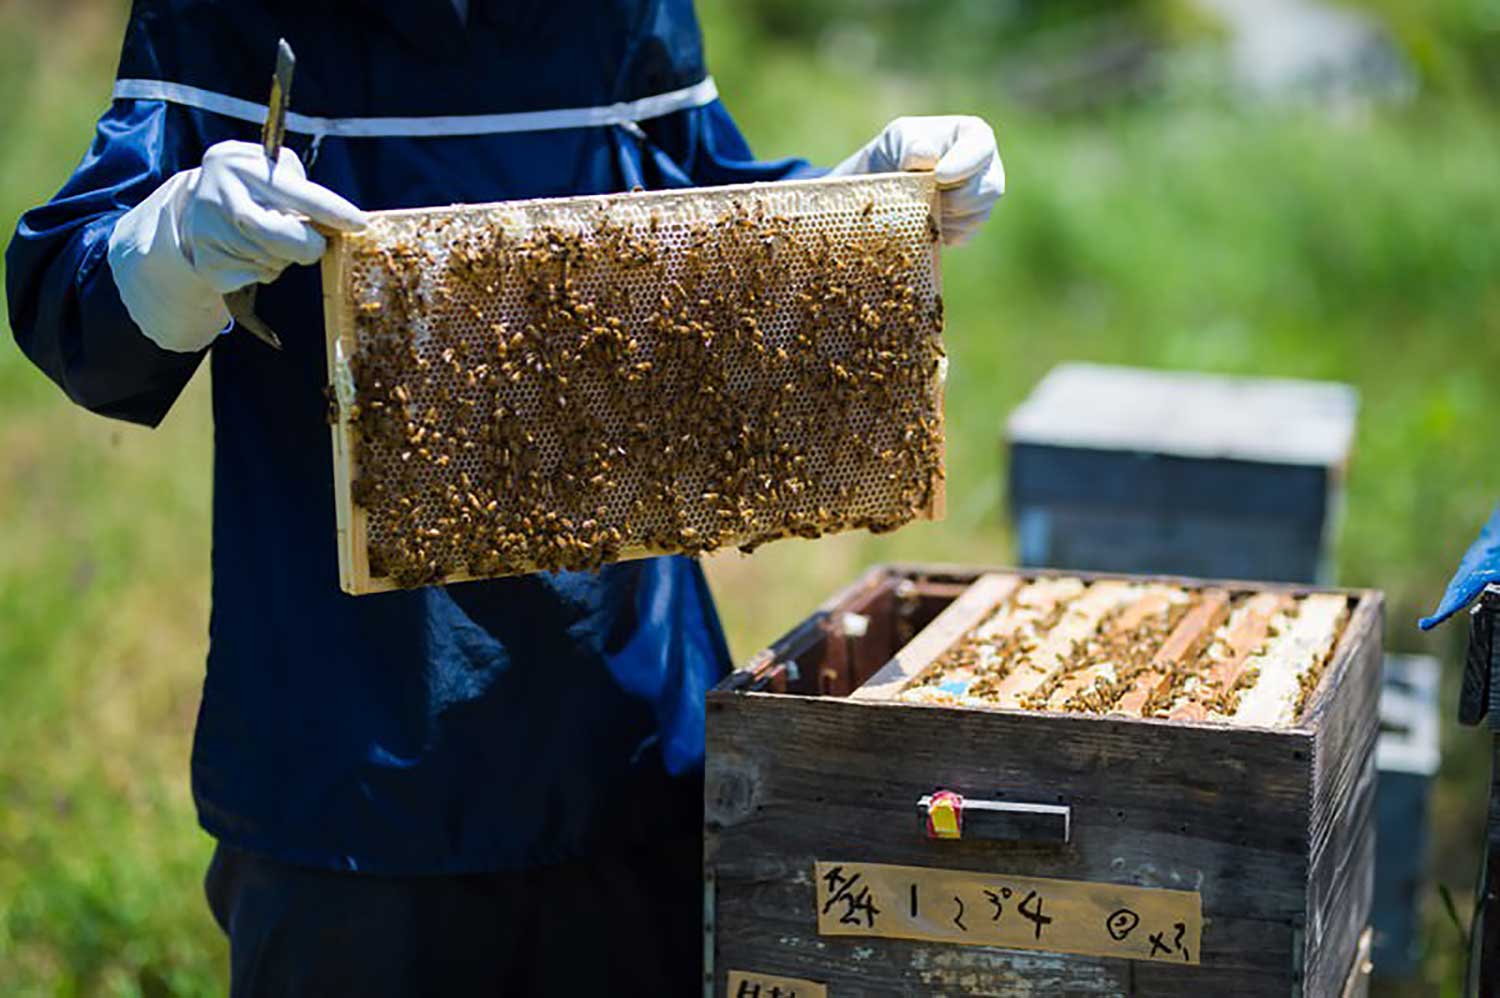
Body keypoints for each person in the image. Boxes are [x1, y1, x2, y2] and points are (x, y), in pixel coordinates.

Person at [5, 1, 1004, 994]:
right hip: (352, 758)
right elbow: (72, 313)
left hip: (625, 741)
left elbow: (714, 236)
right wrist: (174, 240)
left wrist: (866, 211)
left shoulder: (623, 16)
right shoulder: (221, 16)